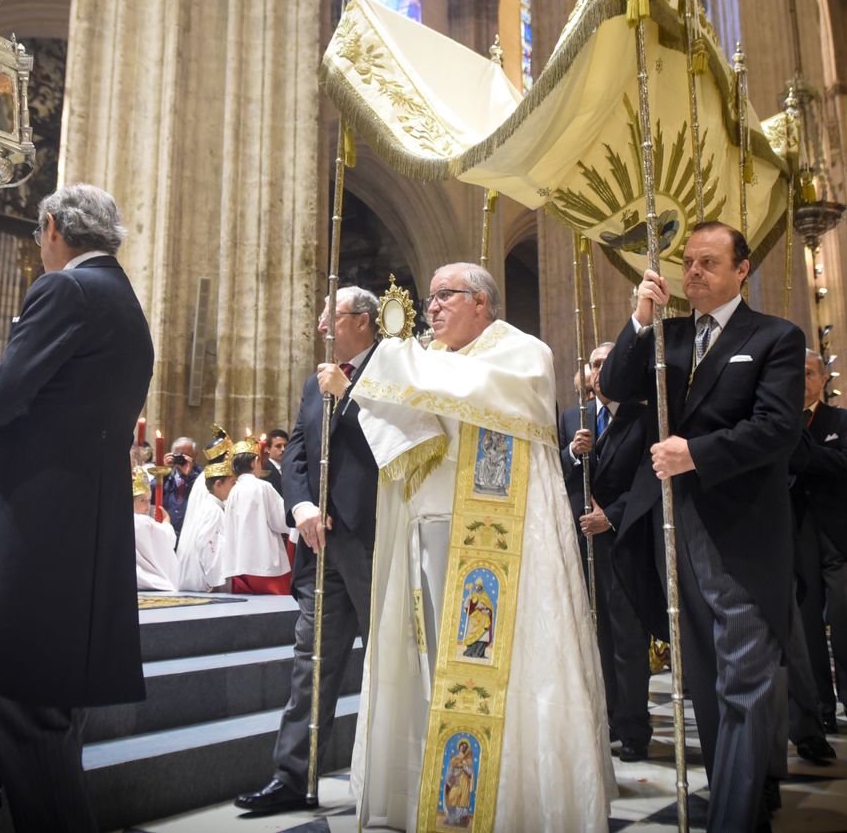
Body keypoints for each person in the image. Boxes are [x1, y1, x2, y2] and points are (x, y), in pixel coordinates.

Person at [346, 262, 611, 831]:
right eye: (431, 297)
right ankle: (437, 793)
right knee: (435, 667)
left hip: (503, 548)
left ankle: (515, 797)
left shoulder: (522, 353)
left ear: (482, 303)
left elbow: (476, 392)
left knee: (506, 673)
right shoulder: (429, 361)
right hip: (430, 531)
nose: (433, 307)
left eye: (446, 296)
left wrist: (396, 362)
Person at [0, 183, 153, 833]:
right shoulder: (125, 303)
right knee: (54, 724)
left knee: (26, 712)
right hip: (86, 540)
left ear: (51, 228)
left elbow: (5, 395)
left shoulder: (67, 290)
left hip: (35, 537)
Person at [599, 221, 805, 833]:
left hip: (740, 529)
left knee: (744, 676)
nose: (693, 273)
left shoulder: (774, 338)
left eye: (708, 263)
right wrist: (640, 314)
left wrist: (699, 452)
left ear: (742, 270)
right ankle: (739, 801)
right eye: (688, 262)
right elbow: (614, 386)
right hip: (673, 525)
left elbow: (777, 429)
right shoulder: (670, 337)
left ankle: (734, 821)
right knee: (708, 679)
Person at [238, 288, 381, 814]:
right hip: (321, 542)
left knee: (384, 661)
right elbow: (296, 449)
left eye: (331, 315)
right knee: (311, 662)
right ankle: (293, 775)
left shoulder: (391, 370)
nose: (322, 324)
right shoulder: (312, 382)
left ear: (363, 321)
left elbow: (400, 437)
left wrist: (351, 394)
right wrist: (299, 507)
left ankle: (390, 775)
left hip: (371, 537)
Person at [562, 342, 652, 761]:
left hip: (624, 539)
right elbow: (553, 472)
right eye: (595, 364)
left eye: (608, 364)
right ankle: (608, 719)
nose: (601, 372)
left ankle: (634, 727)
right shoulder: (571, 419)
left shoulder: (643, 415)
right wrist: (572, 454)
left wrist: (610, 516)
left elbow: (648, 481)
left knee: (627, 638)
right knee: (592, 636)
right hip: (580, 542)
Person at [791, 349, 847, 737]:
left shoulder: (843, 419)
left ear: (823, 378)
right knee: (806, 623)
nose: (802, 379)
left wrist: (806, 455)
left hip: (837, 534)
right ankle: (821, 706)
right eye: (796, 373)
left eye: (809, 372)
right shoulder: (780, 421)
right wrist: (818, 458)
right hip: (796, 531)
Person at [224, 436, 293, 595]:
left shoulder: (234, 490)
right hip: (265, 564)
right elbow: (282, 521)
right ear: (255, 461)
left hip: (240, 565)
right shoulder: (262, 487)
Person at [177, 457, 234, 592]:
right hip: (206, 582)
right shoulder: (212, 510)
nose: (235, 487)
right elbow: (208, 545)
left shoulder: (209, 506)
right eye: (232, 483)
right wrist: (215, 581)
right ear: (218, 484)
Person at [134, 471, 183, 591]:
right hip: (149, 580)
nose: (147, 506)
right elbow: (167, 539)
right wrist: (166, 522)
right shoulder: (142, 521)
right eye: (142, 500)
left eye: (149, 500)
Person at [160, 437, 199, 536]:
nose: (182, 459)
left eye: (187, 455)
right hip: (167, 532)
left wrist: (189, 476)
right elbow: (152, 493)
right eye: (179, 455)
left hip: (189, 534)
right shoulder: (166, 475)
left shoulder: (200, 477)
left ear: (195, 457)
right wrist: (164, 471)